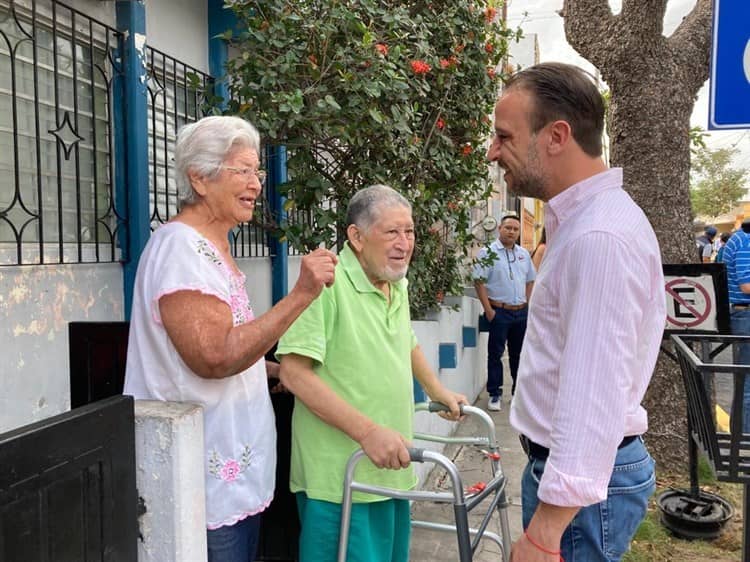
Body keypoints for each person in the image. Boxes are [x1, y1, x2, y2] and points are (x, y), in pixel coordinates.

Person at [123, 115, 338, 562]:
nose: (256, 184)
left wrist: (274, 369)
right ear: (199, 178)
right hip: (203, 481)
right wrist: (300, 295)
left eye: (256, 172)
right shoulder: (183, 249)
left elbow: (226, 346)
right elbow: (214, 356)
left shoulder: (212, 246)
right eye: (242, 170)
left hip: (232, 474)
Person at [487, 62, 665, 562]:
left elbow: (594, 395)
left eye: (504, 136)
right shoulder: (586, 224)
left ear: (556, 136)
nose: (493, 151)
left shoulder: (598, 237)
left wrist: (545, 533)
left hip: (577, 497)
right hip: (577, 486)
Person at [276, 185, 467, 562]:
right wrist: (367, 432)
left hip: (391, 469)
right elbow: (294, 375)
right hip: (339, 481)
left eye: (409, 231)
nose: (404, 242)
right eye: (392, 232)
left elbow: (405, 338)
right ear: (356, 237)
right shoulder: (325, 285)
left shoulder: (395, 280)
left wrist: (435, 389)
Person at [472, 214, 536, 411]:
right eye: (508, 227)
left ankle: (518, 394)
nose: (512, 232)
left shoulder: (524, 254)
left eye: (516, 229)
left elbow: (530, 279)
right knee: (496, 354)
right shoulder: (487, 253)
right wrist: (489, 310)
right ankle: (495, 394)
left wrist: (527, 302)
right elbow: (479, 281)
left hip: (520, 313)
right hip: (499, 312)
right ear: (500, 228)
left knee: (519, 355)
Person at [721, 219, 750, 430]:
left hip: (740, 313)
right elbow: (746, 285)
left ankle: (739, 434)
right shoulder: (747, 241)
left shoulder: (738, 237)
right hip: (745, 313)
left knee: (744, 381)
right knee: (747, 384)